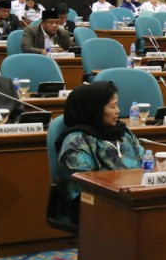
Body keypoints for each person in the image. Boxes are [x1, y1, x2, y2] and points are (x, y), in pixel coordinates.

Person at [56, 81, 145, 222]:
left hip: (135, 201)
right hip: (95, 208)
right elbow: (86, 188)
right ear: (95, 110)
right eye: (113, 106)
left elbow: (145, 165)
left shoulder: (123, 134)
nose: (118, 111)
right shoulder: (77, 142)